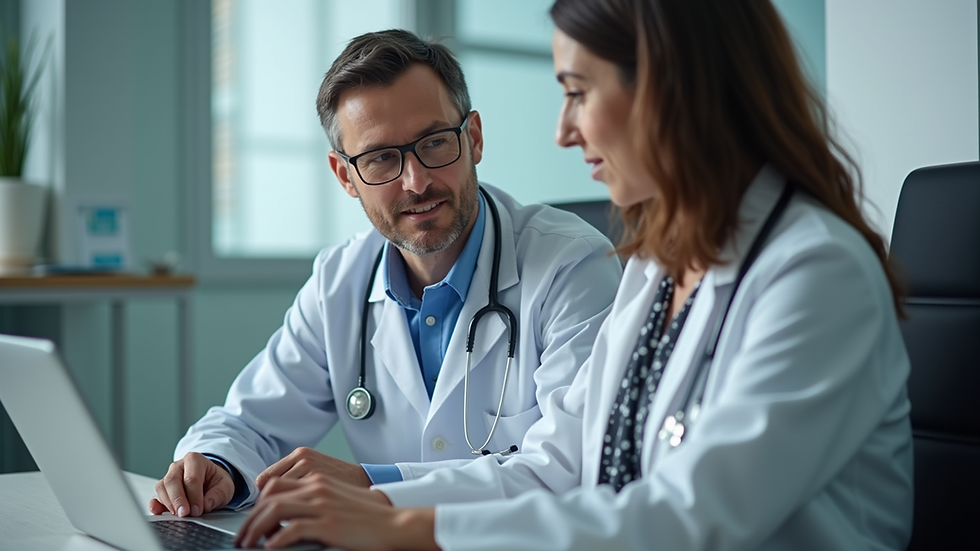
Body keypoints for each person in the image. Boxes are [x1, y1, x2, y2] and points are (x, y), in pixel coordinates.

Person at [232, 1, 915, 550]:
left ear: (673, 91)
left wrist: (409, 525)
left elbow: (689, 518)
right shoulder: (657, 267)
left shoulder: (816, 273)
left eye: (577, 92)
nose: (563, 130)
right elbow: (560, 465)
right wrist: (373, 505)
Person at [149, 29, 623, 519]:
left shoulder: (573, 263)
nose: (416, 182)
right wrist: (215, 464)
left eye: (435, 143)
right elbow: (250, 422)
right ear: (345, 176)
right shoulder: (340, 281)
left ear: (474, 139)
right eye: (381, 158)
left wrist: (373, 485)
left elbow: (572, 466)